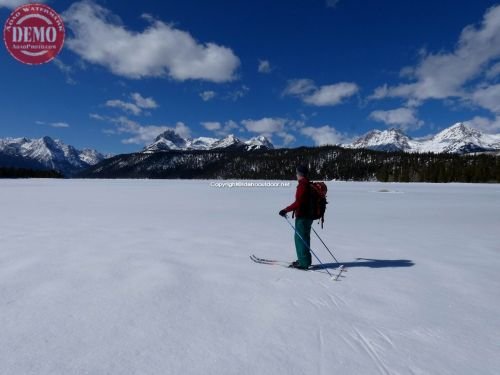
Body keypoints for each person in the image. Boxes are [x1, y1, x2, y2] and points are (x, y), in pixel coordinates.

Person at [279, 165, 313, 270]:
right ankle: (304, 260)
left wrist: (285, 210)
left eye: (297, 173)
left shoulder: (302, 186)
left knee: (300, 239)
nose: (296, 174)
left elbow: (298, 203)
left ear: (300, 174)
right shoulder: (308, 184)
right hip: (308, 216)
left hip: (302, 217)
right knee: (305, 238)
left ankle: (303, 263)